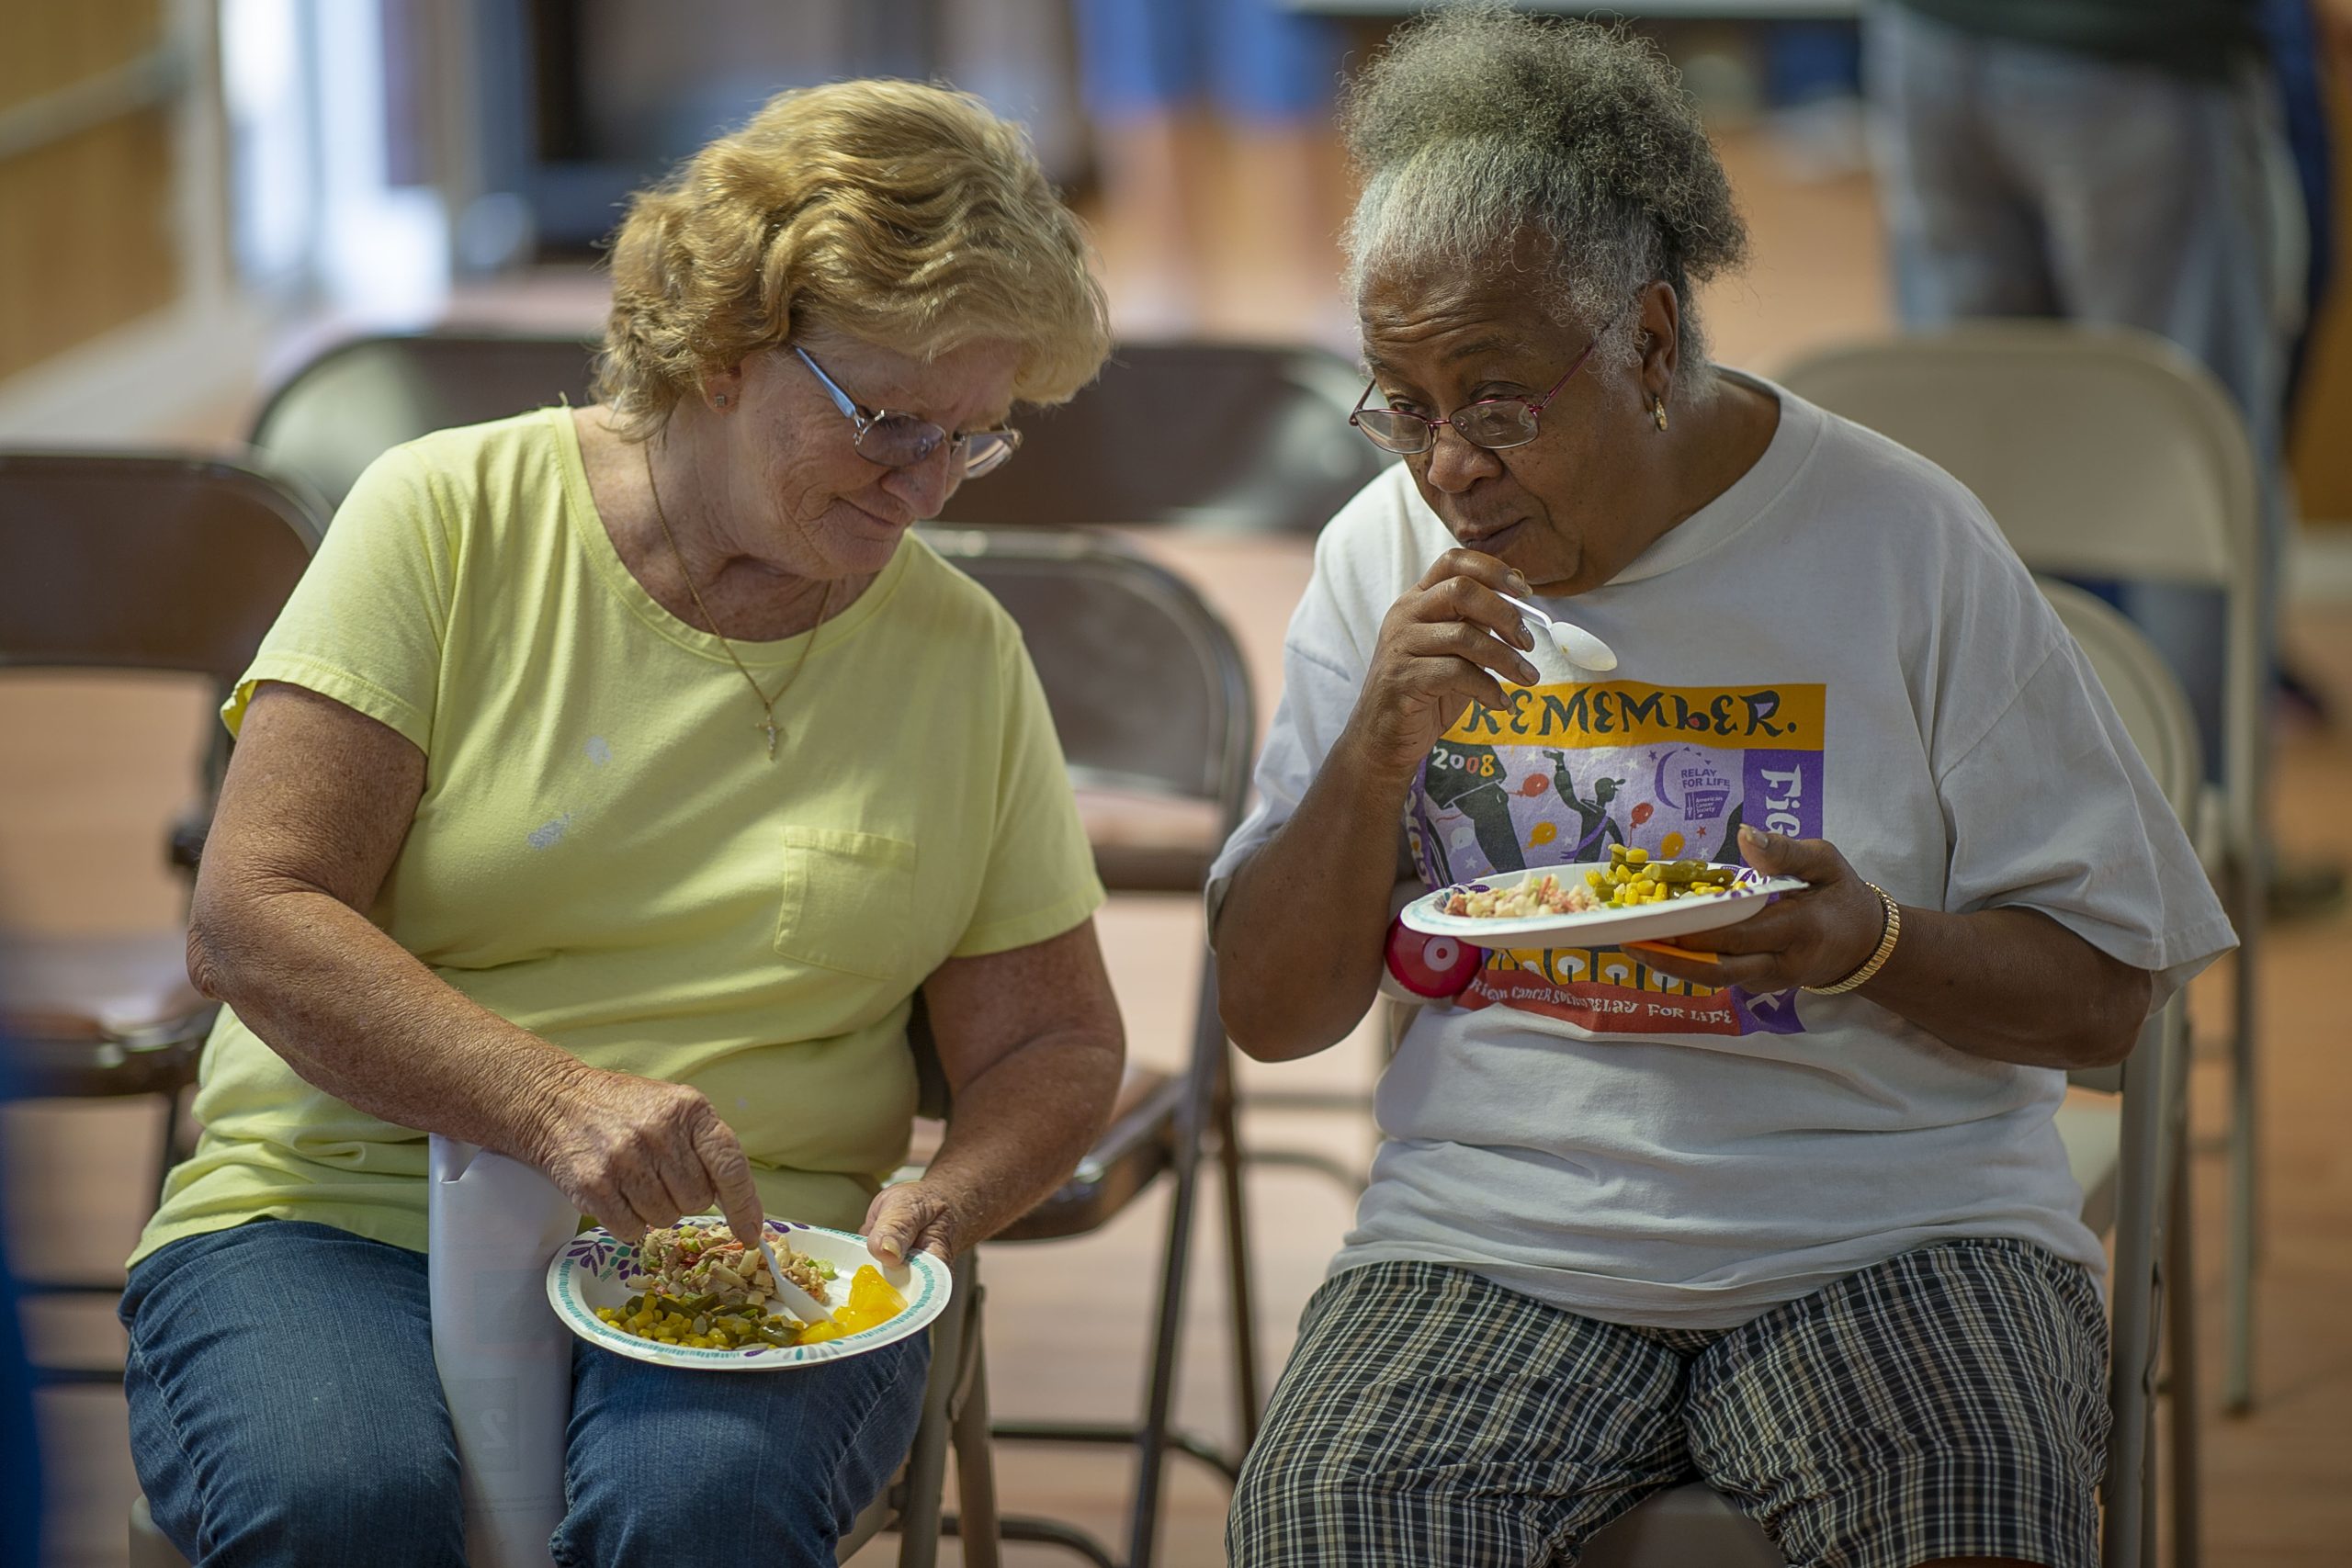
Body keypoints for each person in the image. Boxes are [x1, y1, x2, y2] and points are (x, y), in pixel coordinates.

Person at [1208, 12, 2233, 1567]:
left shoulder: (1901, 539)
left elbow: (2105, 1002)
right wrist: (1372, 757)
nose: (1448, 470)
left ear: (1653, 340)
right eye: (1402, 407)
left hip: (1896, 1226)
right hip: (1495, 1236)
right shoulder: (1381, 558)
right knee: (1322, 1528)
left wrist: (1872, 941)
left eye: (1495, 402)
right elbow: (1273, 1015)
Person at [121, 79, 1125, 1567]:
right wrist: (551, 1105)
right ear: (725, 345)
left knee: (695, 1518)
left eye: (975, 437)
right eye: (890, 421)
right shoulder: (448, 517)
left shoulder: (958, 653)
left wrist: (941, 1200)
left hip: (763, 1250)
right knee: (336, 1506)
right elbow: (254, 914)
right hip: (341, 1202)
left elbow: (1054, 1041)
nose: (924, 489)